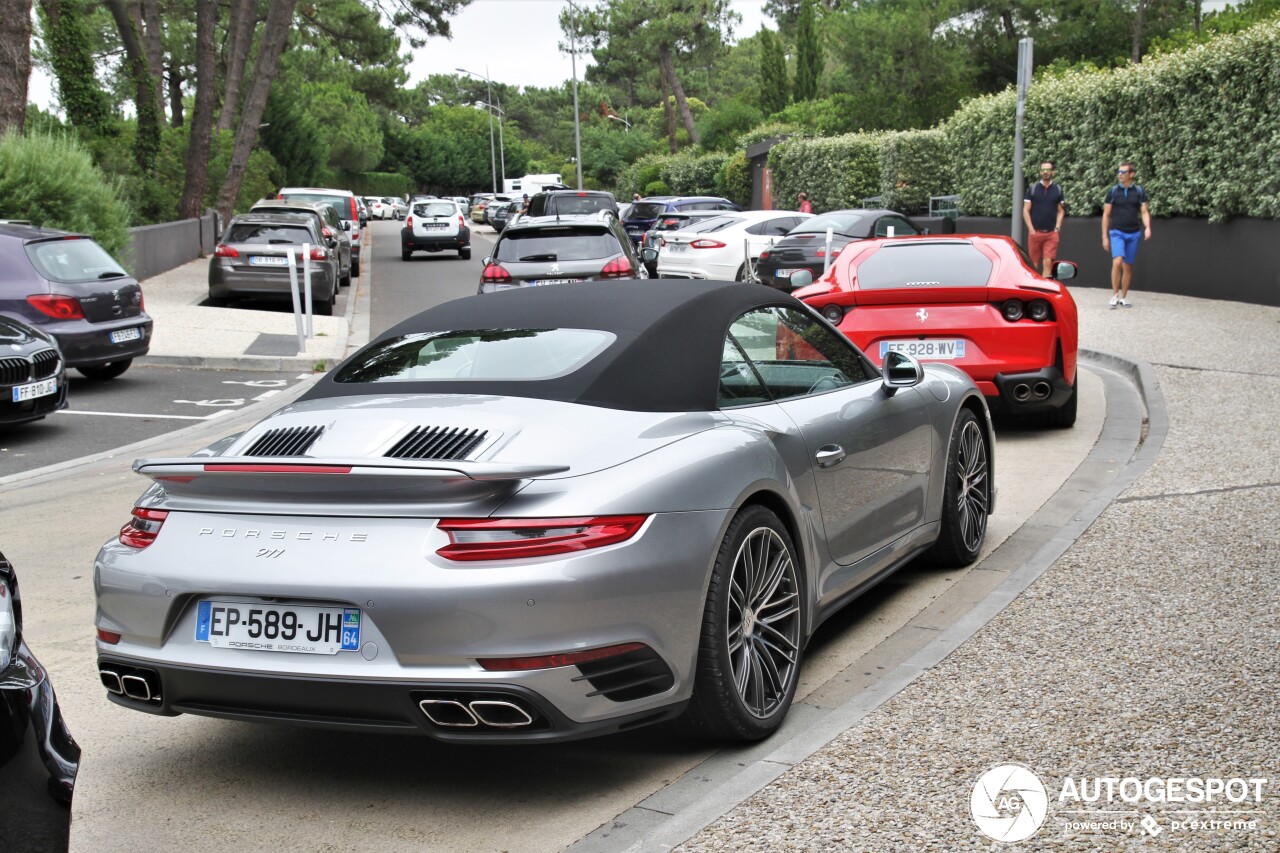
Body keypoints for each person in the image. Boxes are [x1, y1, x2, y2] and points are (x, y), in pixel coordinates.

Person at [1101, 160, 1152, 308]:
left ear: (1132, 174)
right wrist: (1104, 236)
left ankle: (1124, 297)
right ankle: (1114, 295)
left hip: (1133, 233)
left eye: (1123, 172)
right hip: (1117, 232)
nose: (1120, 174)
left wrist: (1148, 227)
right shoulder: (1113, 192)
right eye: (1119, 172)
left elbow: (1144, 211)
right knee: (1117, 261)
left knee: (1127, 266)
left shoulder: (1139, 191)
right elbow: (1106, 214)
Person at [1022, 160, 1066, 277]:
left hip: (1051, 234)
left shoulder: (1058, 189)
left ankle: (1045, 289)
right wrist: (1031, 230)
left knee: (1048, 262)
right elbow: (1026, 210)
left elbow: (1061, 211)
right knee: (1034, 264)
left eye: (1048, 170)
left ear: (1053, 172)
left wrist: (1057, 228)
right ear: (1040, 172)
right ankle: (1035, 288)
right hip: (1035, 233)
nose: (1045, 172)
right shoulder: (1033, 189)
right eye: (1043, 170)